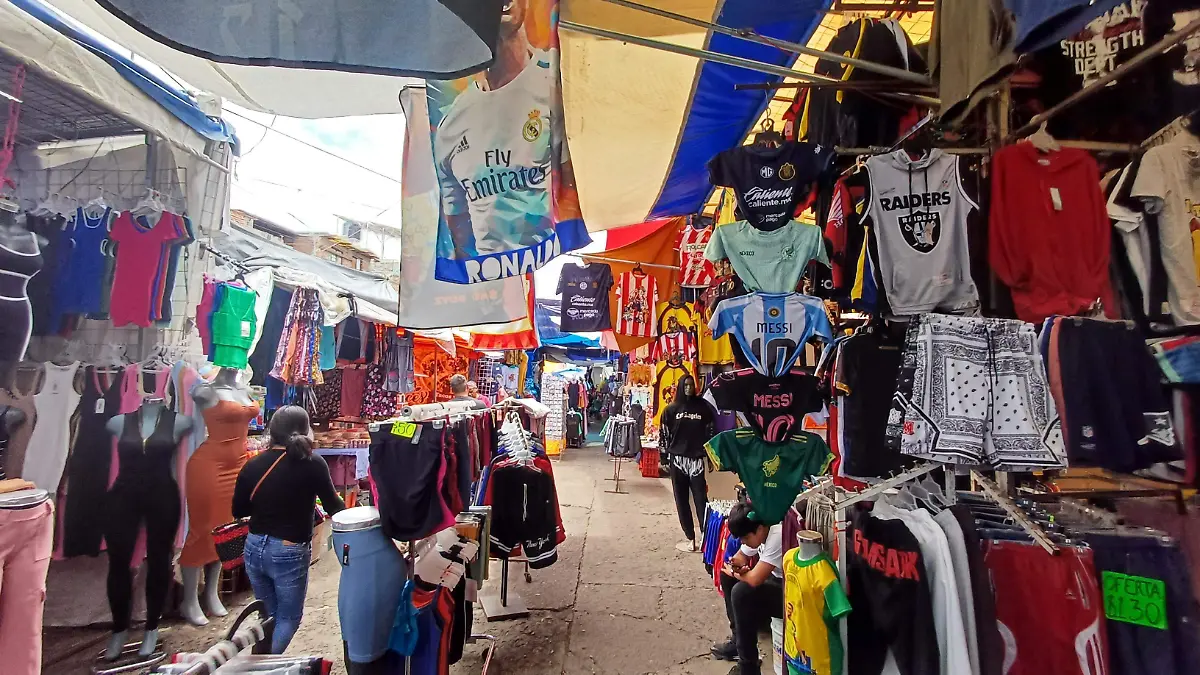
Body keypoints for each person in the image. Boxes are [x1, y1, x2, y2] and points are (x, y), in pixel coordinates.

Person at [432, 0, 578, 259]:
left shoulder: (558, 87)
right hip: (491, 274)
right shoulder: (450, 127)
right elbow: (458, 233)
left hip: (546, 259)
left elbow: (572, 193)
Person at [232, 406, 345, 653]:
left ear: (272, 431)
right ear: (306, 430)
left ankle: (258, 661)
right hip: (288, 550)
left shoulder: (253, 464)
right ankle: (265, 666)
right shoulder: (313, 463)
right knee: (288, 618)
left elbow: (238, 510)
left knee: (268, 616)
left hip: (254, 547)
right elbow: (334, 507)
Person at [711, 502, 784, 675]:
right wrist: (736, 566)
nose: (744, 542)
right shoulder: (757, 531)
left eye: (745, 538)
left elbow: (755, 579)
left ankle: (748, 667)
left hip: (790, 591)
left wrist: (737, 573)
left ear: (759, 529)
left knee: (741, 593)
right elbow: (740, 556)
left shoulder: (776, 535)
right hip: (774, 582)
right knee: (727, 577)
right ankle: (738, 641)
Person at [659, 375, 714, 552]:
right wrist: (663, 458)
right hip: (677, 460)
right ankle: (690, 536)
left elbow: (711, 433)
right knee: (681, 500)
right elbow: (664, 435)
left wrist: (711, 457)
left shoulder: (703, 408)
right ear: (681, 387)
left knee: (701, 500)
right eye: (686, 385)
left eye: (691, 385)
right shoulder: (670, 410)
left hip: (696, 461)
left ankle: (706, 535)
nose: (689, 388)